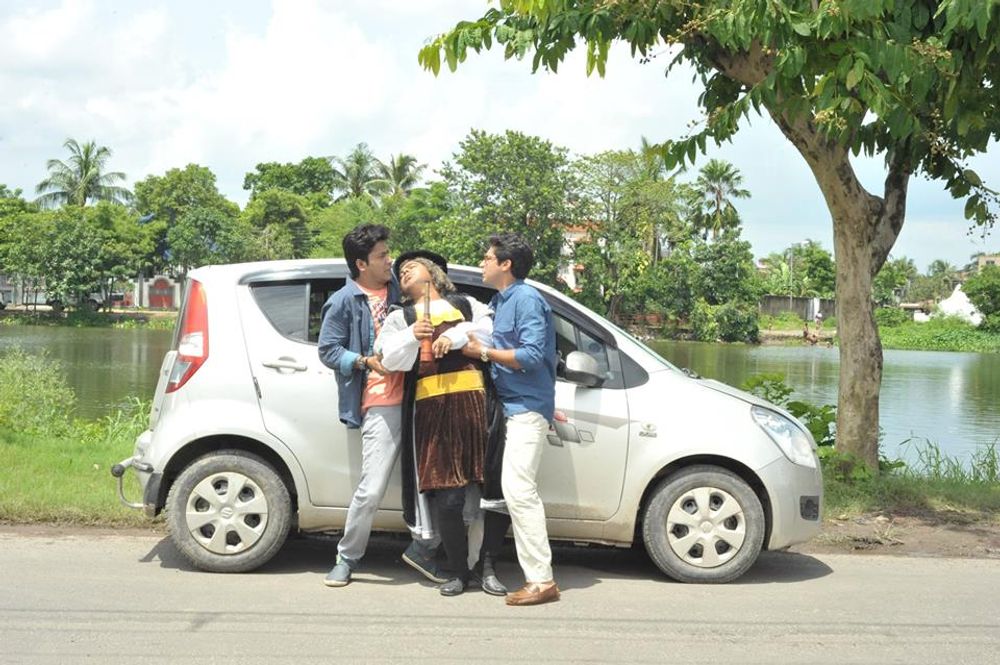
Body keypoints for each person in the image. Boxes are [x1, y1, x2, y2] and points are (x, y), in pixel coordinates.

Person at [376, 251, 509, 597]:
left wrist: (457, 335)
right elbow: (388, 359)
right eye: (401, 270)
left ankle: (488, 567)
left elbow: (490, 332)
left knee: (492, 491)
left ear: (432, 273)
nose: (405, 270)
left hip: (478, 405)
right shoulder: (400, 317)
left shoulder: (466, 304)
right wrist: (412, 334)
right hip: (432, 411)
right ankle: (459, 572)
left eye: (413, 265)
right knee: (448, 499)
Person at [316, 224, 441, 588]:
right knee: (372, 488)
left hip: (423, 394)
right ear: (361, 263)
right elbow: (328, 350)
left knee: (431, 481)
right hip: (382, 399)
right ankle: (346, 556)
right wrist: (364, 361)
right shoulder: (344, 301)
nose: (390, 261)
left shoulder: (400, 290)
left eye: (388, 253)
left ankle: (426, 549)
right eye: (382, 256)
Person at [461, 233, 560, 606]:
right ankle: (536, 576)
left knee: (519, 491)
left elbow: (532, 355)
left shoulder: (526, 299)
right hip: (512, 406)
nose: (482, 263)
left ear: (506, 264)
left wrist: (484, 352)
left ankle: (541, 580)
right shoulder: (501, 301)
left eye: (488, 258)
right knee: (511, 490)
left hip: (525, 408)